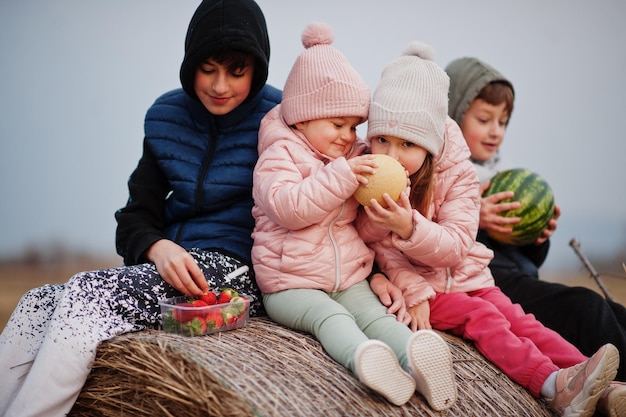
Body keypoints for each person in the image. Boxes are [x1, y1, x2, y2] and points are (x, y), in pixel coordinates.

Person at [0, 1, 280, 416]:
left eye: (236, 71)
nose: (220, 86)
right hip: (170, 264)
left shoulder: (282, 118)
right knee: (37, 302)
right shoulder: (165, 117)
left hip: (240, 270)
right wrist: (157, 247)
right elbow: (135, 215)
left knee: (86, 295)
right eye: (208, 69)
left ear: (257, 69)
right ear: (190, 66)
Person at [358, 41, 620, 417]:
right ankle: (551, 386)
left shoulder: (461, 175)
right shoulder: (371, 175)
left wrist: (409, 225)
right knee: (484, 320)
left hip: (469, 277)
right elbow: (375, 250)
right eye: (381, 139)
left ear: (431, 143)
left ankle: (594, 381)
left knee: (520, 319)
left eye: (407, 143)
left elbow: (455, 246)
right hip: (428, 291)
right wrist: (407, 270)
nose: (392, 155)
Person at [250, 22, 456, 410]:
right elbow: (290, 209)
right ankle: (365, 361)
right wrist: (340, 176)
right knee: (331, 319)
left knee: (378, 317)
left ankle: (417, 357)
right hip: (290, 284)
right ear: (302, 119)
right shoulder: (278, 156)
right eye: (337, 125)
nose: (348, 135)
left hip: (349, 278)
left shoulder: (351, 158)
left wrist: (388, 206)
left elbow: (364, 227)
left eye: (353, 126)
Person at [445, 56, 626, 415]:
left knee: (614, 311)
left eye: (503, 122)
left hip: (514, 276)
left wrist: (535, 238)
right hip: (486, 282)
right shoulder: (442, 174)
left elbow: (515, 254)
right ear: (452, 115)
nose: (496, 131)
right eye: (484, 120)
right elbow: (437, 238)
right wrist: (474, 215)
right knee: (584, 308)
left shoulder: (496, 176)